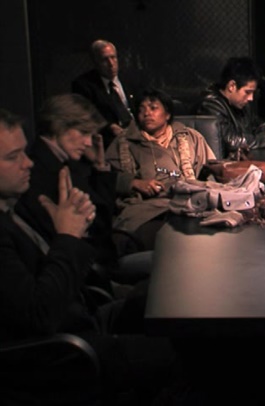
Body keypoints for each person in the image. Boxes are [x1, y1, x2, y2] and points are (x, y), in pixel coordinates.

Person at [0, 108, 177, 403]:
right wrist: (67, 237)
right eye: (12, 156)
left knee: (162, 296)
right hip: (65, 353)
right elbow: (40, 315)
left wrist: (69, 235)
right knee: (182, 351)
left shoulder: (11, 211)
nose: (27, 162)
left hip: (83, 316)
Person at [15, 93, 151, 285]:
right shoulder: (48, 171)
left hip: (95, 267)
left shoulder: (65, 163)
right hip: (87, 277)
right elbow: (97, 225)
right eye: (83, 132)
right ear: (60, 126)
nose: (88, 142)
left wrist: (100, 166)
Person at [106, 88, 216, 249]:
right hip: (148, 210)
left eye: (153, 108)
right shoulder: (125, 143)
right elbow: (105, 178)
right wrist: (134, 182)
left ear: (167, 114)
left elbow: (212, 170)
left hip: (189, 204)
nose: (147, 113)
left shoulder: (190, 137)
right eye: (141, 109)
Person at [196, 56, 265, 159]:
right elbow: (231, 142)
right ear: (232, 86)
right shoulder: (210, 105)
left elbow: (256, 125)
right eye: (247, 92)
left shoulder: (240, 104)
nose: (251, 98)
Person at [72, 39, 135, 148]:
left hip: (135, 132)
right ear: (95, 62)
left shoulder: (130, 78)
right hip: (108, 139)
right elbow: (87, 115)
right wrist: (109, 126)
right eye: (105, 60)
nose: (111, 64)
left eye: (113, 57)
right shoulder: (84, 85)